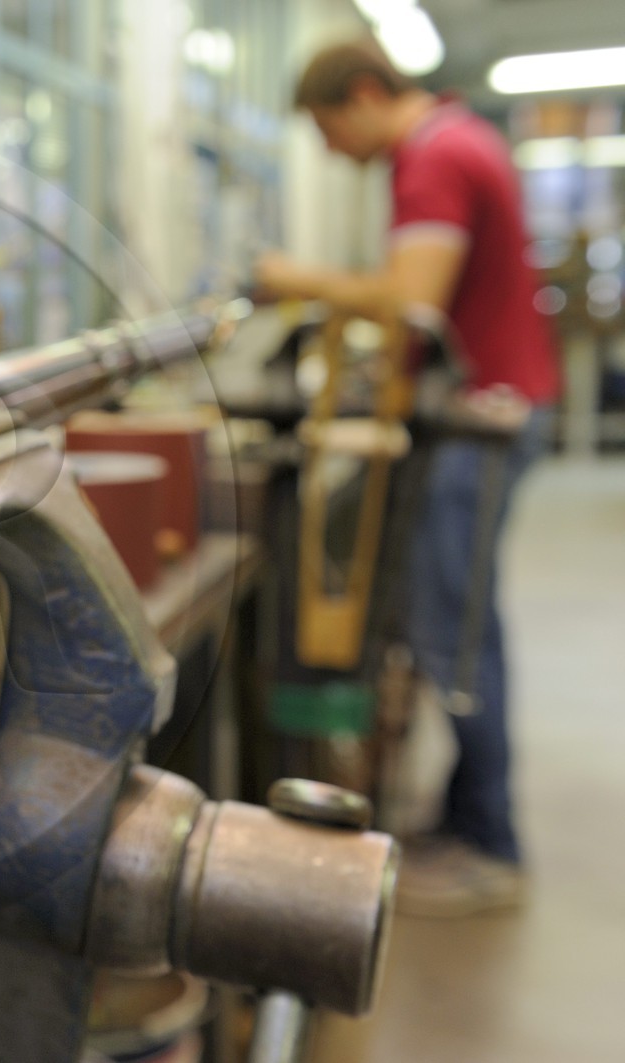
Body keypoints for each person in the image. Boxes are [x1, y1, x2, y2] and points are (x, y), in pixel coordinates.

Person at [256, 39, 561, 917]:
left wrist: (291, 280)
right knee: (454, 619)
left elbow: (409, 297)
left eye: (325, 127)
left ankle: (487, 840)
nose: (328, 150)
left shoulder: (433, 157)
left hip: (484, 418)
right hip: (488, 409)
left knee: (453, 628)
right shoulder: (456, 144)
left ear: (360, 96)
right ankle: (468, 815)